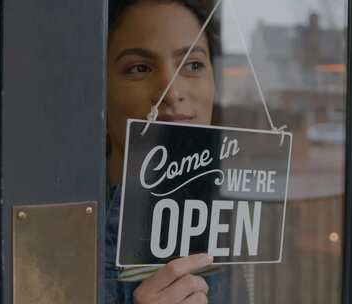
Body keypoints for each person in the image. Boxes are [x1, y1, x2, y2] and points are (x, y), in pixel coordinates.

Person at [105, 0, 224, 303]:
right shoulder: (60, 228)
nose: (172, 93)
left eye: (193, 65)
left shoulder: (232, 224)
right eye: (139, 68)